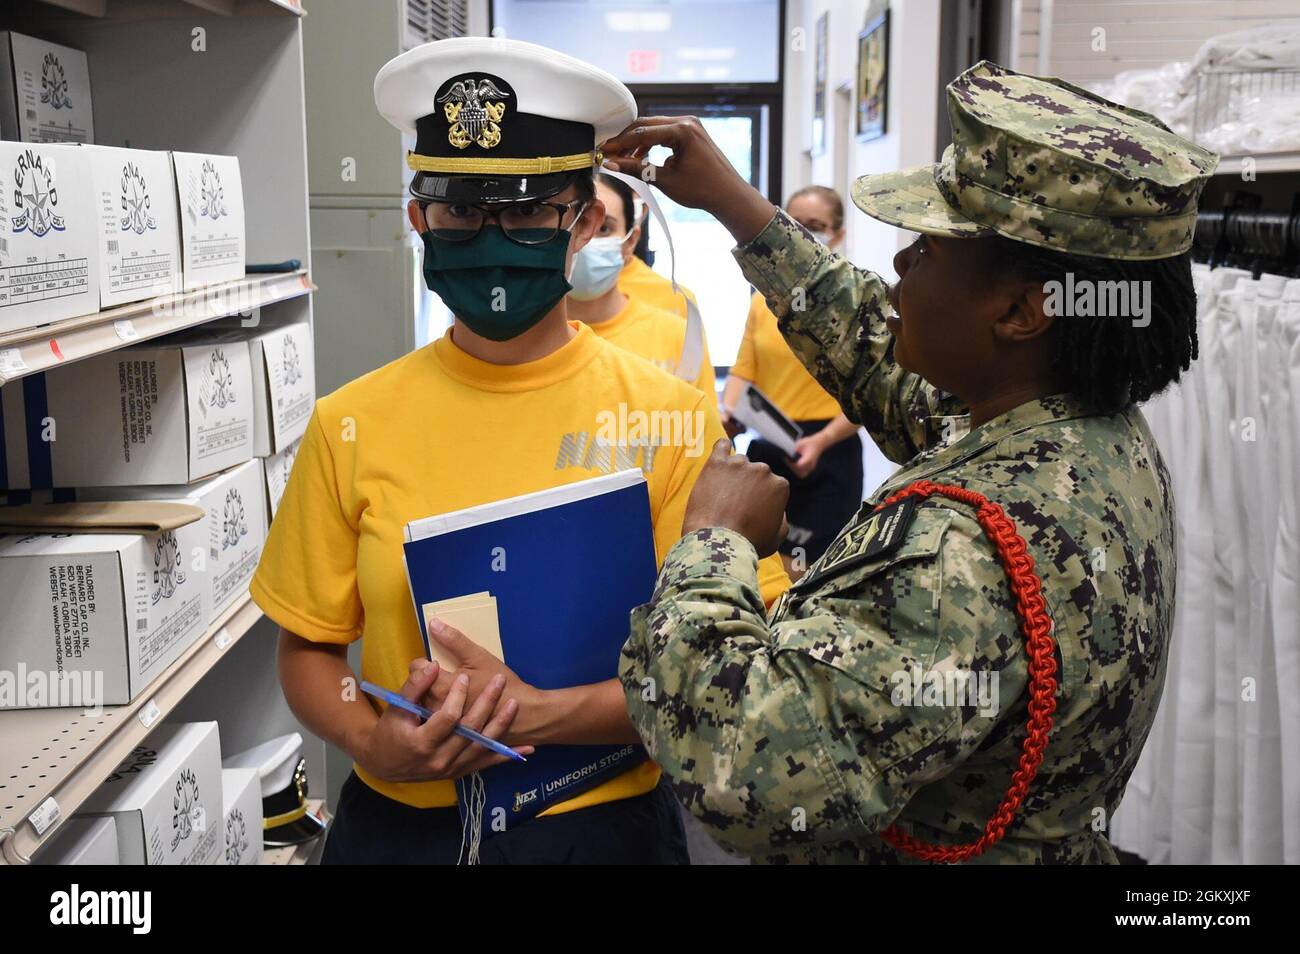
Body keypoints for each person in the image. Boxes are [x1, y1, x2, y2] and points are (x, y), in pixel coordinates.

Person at [603, 60, 1217, 863]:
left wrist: (714, 544)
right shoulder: (1081, 433)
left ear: (1023, 310)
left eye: (928, 248)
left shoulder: (957, 555)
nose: (899, 267)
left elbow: (742, 771)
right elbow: (883, 367)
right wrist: (740, 208)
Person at [249, 36, 788, 865]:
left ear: (584, 221)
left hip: (603, 828)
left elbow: (733, 658)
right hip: (403, 829)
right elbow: (310, 649)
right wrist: (369, 736)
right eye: (463, 211)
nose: (493, 237)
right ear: (419, 219)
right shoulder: (351, 422)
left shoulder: (668, 420)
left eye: (530, 210)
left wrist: (543, 714)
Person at [724, 184, 864, 579]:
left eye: (815, 225)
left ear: (838, 234)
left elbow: (868, 392)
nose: (803, 233)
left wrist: (821, 441)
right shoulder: (762, 302)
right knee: (759, 564)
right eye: (794, 223)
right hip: (770, 446)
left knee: (815, 571)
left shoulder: (854, 304)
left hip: (829, 451)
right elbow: (742, 372)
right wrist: (728, 414)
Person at [567, 172, 716, 398]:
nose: (587, 240)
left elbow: (701, 427)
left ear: (631, 241)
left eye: (604, 228)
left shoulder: (676, 334)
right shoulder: (528, 334)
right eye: (577, 225)